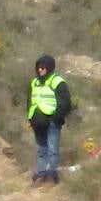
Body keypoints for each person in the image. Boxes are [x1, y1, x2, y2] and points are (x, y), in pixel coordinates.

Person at [28, 55, 71, 185]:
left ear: (49, 67)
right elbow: (29, 101)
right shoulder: (34, 82)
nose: (40, 70)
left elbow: (65, 103)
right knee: (41, 149)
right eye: (38, 67)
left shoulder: (57, 82)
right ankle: (41, 175)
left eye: (42, 67)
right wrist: (30, 118)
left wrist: (56, 118)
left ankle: (52, 176)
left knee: (52, 150)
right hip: (37, 122)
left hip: (52, 122)